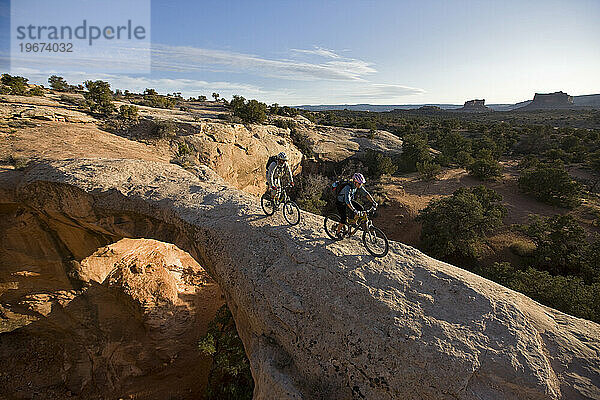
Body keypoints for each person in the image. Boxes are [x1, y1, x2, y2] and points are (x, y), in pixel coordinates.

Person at [335, 172, 377, 237]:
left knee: (361, 208)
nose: (361, 185)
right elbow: (347, 201)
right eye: (359, 183)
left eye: (361, 183)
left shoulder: (358, 186)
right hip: (340, 202)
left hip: (348, 201)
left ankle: (352, 222)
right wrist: (354, 210)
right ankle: (338, 232)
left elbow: (366, 193)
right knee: (343, 218)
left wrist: (373, 202)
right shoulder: (347, 187)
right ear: (355, 182)